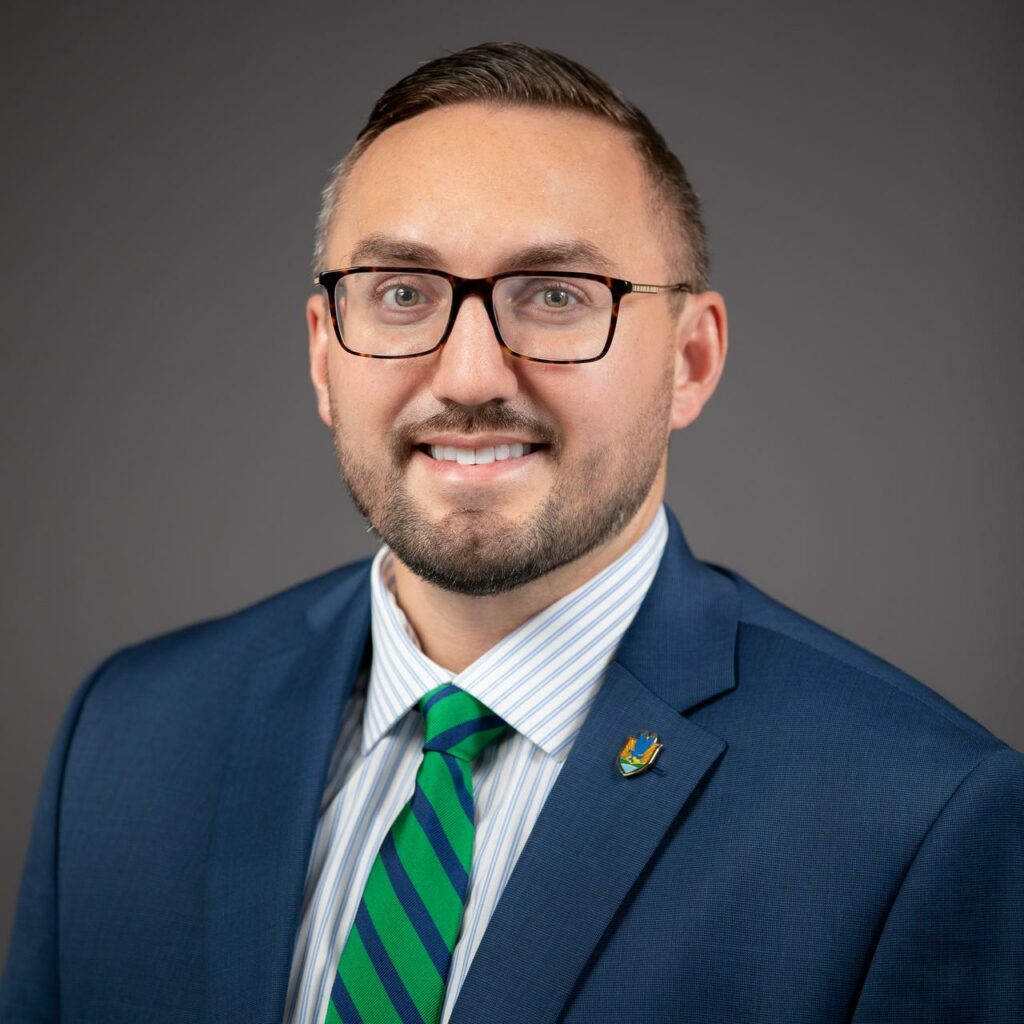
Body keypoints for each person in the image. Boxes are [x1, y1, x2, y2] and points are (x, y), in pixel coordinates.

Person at [2, 41, 1021, 1024]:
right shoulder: (126, 737)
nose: (471, 375)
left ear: (692, 360)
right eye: (402, 292)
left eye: (555, 296)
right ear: (324, 356)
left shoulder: (912, 818)